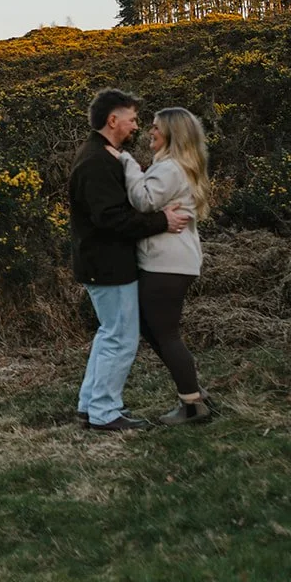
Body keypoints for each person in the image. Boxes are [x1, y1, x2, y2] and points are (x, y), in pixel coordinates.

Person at [69, 89, 192, 432]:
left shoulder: (102, 155)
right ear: (113, 120)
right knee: (120, 338)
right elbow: (111, 218)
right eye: (133, 119)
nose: (137, 126)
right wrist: (162, 222)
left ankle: (89, 406)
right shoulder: (97, 162)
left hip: (101, 261)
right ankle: (105, 413)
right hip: (107, 264)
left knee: (109, 334)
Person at [119, 106, 214, 425]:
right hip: (172, 261)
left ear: (172, 133)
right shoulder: (175, 167)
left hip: (167, 264)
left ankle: (192, 406)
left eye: (156, 127)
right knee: (154, 328)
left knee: (166, 333)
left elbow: (143, 201)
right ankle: (195, 394)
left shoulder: (171, 168)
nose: (150, 131)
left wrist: (128, 164)